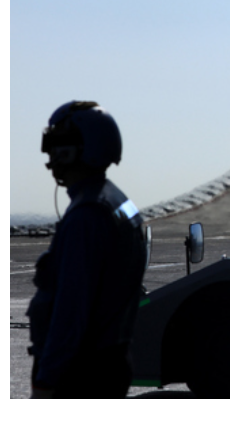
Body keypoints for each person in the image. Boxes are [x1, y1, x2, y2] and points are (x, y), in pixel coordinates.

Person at [27, 101, 147, 398]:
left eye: (57, 144)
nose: (50, 154)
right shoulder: (119, 202)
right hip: (109, 360)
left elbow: (71, 311)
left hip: (80, 372)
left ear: (80, 149)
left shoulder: (86, 216)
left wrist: (46, 381)